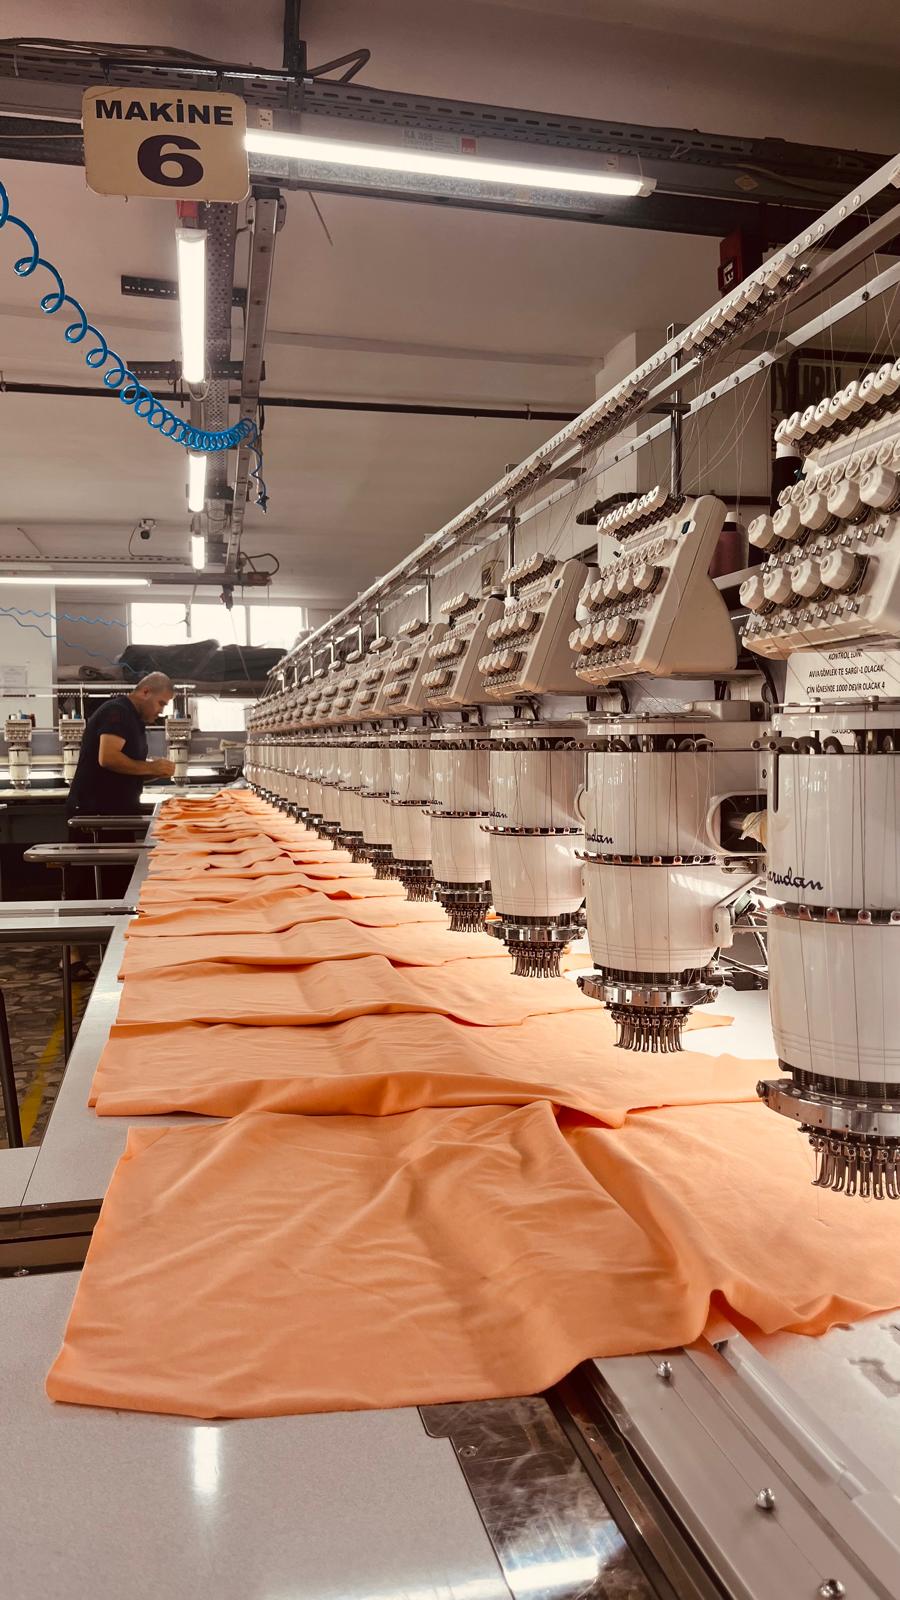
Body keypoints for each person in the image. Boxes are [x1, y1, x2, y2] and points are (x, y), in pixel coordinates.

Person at [64, 673, 177, 923]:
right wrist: (151, 767)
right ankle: (83, 943)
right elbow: (108, 758)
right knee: (89, 885)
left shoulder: (133, 719)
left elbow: (126, 769)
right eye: (161, 703)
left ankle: (112, 933)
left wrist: (155, 771)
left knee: (116, 883)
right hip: (95, 815)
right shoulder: (117, 712)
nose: (161, 711)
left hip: (114, 814)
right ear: (145, 692)